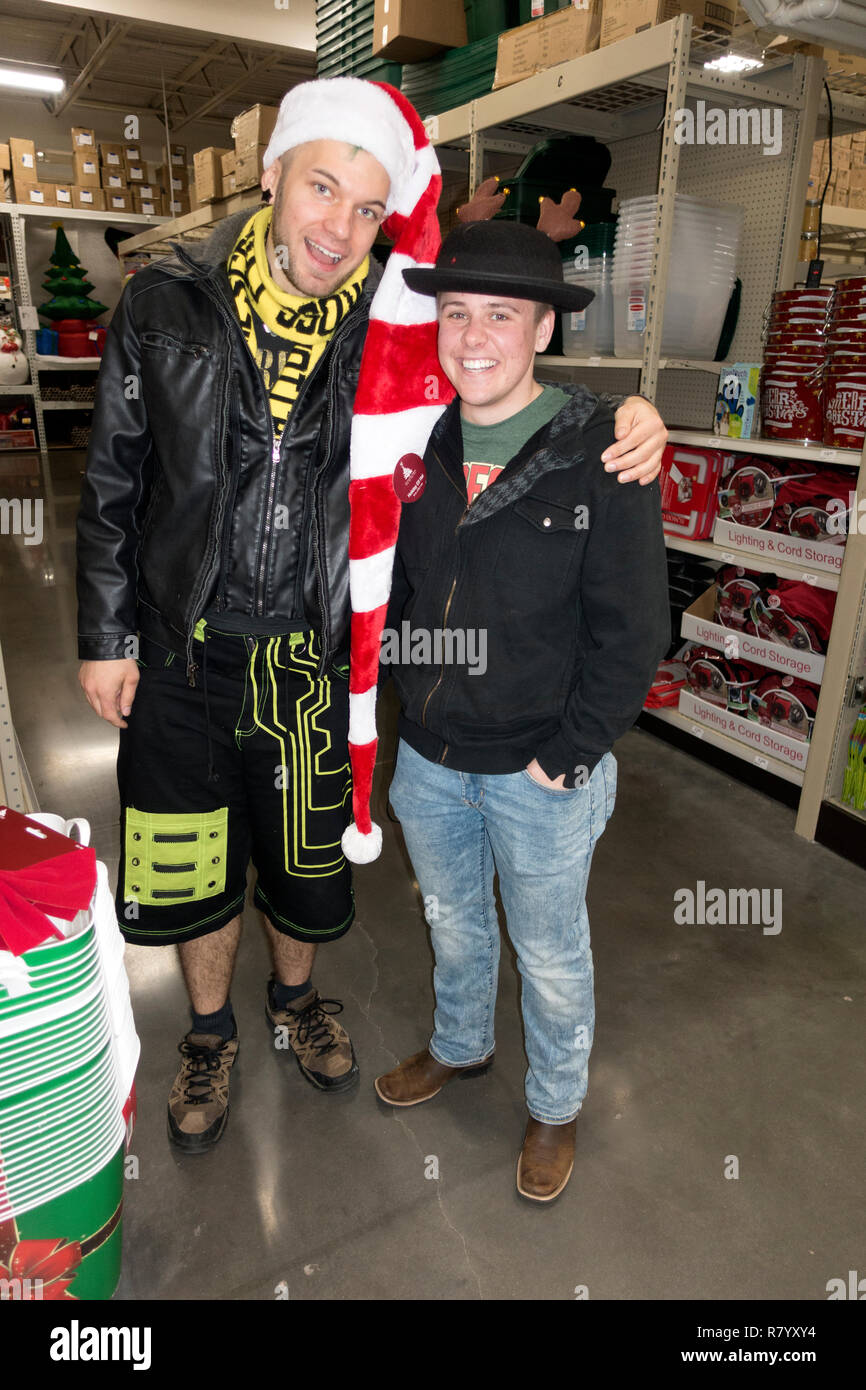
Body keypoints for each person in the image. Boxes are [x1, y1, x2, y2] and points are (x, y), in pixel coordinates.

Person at [76, 77, 667, 1155]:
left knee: (304, 869)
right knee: (194, 868)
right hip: (176, 651)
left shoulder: (391, 327)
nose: (338, 229)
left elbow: (500, 368)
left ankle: (300, 1005)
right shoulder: (165, 305)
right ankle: (208, 1031)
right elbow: (113, 481)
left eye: (365, 207)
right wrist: (105, 635)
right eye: (320, 189)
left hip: (313, 658)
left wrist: (631, 413)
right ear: (272, 174)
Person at [374, 219, 671, 1202]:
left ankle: (552, 1105)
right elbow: (408, 590)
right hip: (428, 753)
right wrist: (404, 705)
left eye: (499, 313)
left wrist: (569, 753)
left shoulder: (600, 451)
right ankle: (459, 1047)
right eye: (454, 311)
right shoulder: (417, 434)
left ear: (542, 327)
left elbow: (634, 630)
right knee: (452, 918)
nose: (471, 334)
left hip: (539, 766)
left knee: (547, 950)